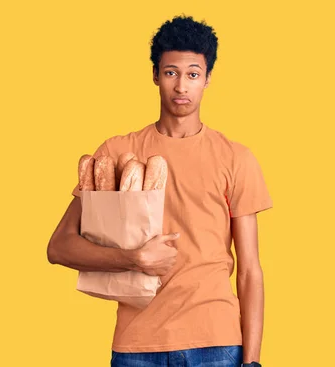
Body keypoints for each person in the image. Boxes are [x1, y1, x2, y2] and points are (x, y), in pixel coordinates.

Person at [47, 14, 272, 367]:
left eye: (193, 74)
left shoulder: (236, 158)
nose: (182, 86)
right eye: (171, 73)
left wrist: (253, 360)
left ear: (207, 79)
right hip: (136, 345)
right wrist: (133, 259)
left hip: (216, 343)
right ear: (155, 75)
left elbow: (249, 270)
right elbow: (59, 246)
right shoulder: (118, 152)